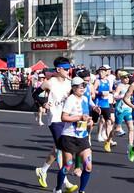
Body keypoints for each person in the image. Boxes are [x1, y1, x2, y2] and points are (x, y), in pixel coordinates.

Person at [34, 56, 78, 193]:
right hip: (55, 119)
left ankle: (42, 170)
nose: (68, 71)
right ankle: (65, 182)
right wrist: (43, 103)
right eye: (66, 69)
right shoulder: (49, 83)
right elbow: (35, 94)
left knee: (57, 148)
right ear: (58, 69)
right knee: (63, 149)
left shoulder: (69, 83)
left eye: (69, 69)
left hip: (67, 118)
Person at [55, 77, 94, 193]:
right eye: (79, 86)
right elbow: (63, 117)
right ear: (73, 88)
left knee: (88, 166)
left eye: (84, 86)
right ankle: (58, 189)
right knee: (68, 165)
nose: (82, 88)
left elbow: (86, 117)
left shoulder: (85, 99)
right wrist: (79, 117)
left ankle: (81, 191)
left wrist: (89, 121)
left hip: (82, 137)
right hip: (69, 137)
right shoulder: (70, 99)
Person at [92, 65, 115, 151]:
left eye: (102, 72)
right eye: (100, 72)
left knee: (108, 122)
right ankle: (89, 137)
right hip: (98, 104)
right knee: (93, 122)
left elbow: (109, 90)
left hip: (106, 104)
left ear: (106, 73)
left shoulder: (108, 81)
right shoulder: (97, 81)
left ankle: (108, 142)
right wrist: (100, 93)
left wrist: (113, 94)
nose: (101, 73)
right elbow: (93, 90)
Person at [112, 71, 134, 151]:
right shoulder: (119, 86)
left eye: (128, 77)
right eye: (125, 77)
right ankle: (109, 140)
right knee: (116, 129)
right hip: (120, 109)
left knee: (131, 128)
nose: (127, 79)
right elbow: (115, 96)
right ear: (121, 78)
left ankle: (130, 146)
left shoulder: (130, 86)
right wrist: (122, 96)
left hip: (128, 109)